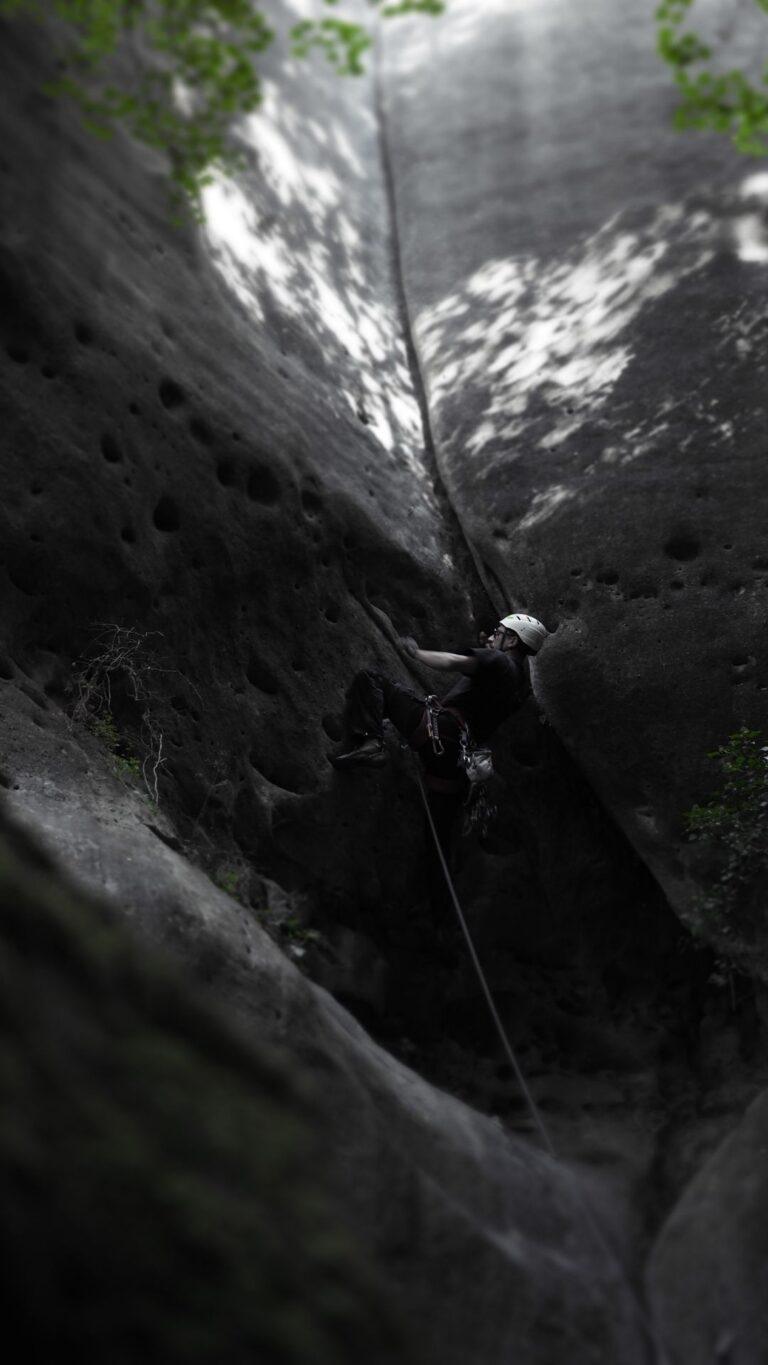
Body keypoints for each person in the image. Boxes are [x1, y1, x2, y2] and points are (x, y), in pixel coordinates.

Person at [330, 613, 549, 922]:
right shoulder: (520, 686)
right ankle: (439, 918)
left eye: (499, 633)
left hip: (439, 733)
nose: (492, 637)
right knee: (439, 847)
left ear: (512, 640)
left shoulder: (499, 662)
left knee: (372, 679)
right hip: (457, 767)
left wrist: (416, 653)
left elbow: (453, 662)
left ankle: (371, 744)